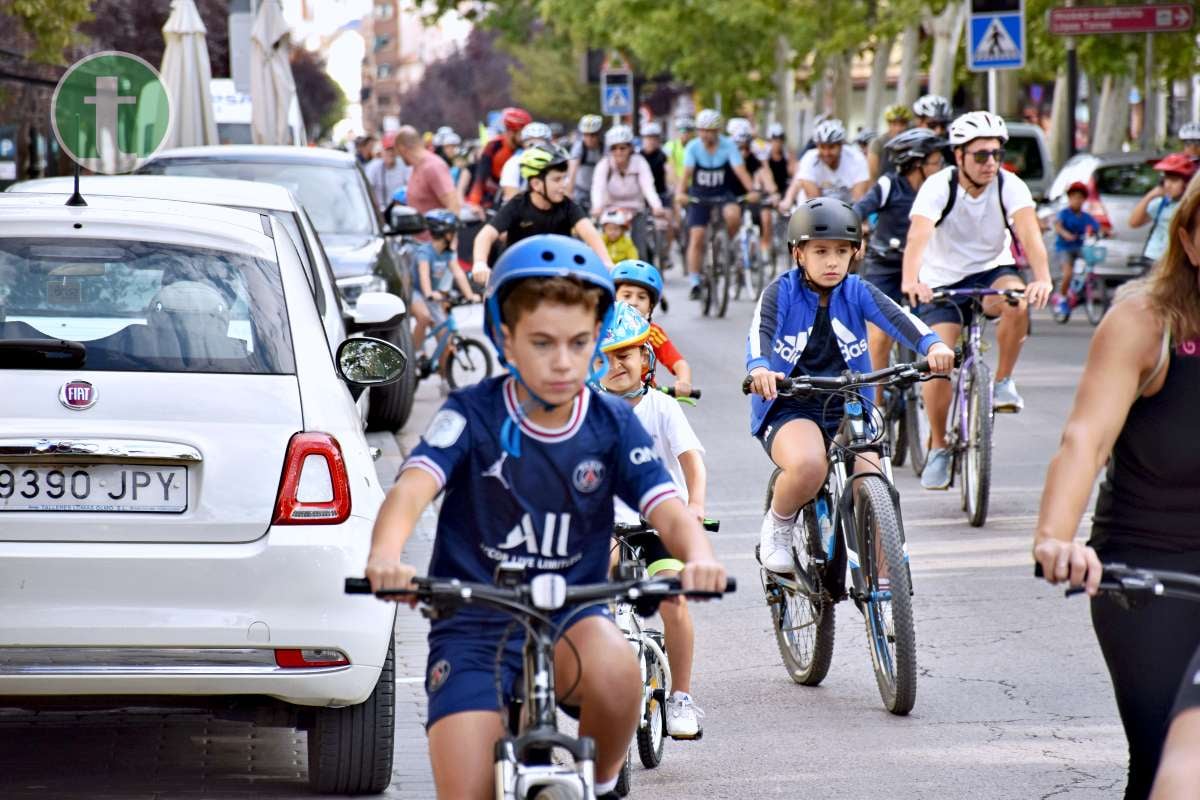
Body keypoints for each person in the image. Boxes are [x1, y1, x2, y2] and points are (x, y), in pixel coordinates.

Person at [365, 234, 727, 800]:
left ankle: (601, 784)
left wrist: (698, 554)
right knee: (466, 787)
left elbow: (665, 504)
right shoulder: (471, 412)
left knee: (619, 673)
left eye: (580, 343)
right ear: (504, 339)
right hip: (475, 624)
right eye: (541, 342)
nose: (562, 361)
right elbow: (411, 488)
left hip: (571, 612)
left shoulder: (611, 421)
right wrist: (386, 558)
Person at [1032, 177, 1200, 800]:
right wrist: (1054, 537)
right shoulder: (1146, 323)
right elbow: (1086, 441)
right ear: (1188, 241)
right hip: (1151, 573)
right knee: (1173, 763)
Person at [745, 199, 955, 573]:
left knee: (870, 480)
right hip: (792, 404)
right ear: (798, 254)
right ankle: (778, 526)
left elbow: (899, 318)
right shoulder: (781, 292)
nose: (832, 262)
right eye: (821, 251)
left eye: (842, 252)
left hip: (850, 403)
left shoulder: (857, 291)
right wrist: (760, 368)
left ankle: (888, 595)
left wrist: (933, 345)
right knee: (810, 466)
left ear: (854, 254)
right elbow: (760, 333)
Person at [901, 111, 1054, 490]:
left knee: (1015, 300)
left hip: (991, 270)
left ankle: (1002, 382)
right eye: (981, 155)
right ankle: (938, 445)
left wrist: (1043, 279)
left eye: (996, 154)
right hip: (940, 281)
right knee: (938, 359)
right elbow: (918, 237)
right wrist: (911, 281)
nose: (991, 163)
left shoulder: (1009, 185)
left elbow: (1030, 234)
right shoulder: (938, 187)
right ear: (959, 156)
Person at [597, 302, 708, 739]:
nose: (616, 364)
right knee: (594, 596)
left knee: (673, 601)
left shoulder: (662, 406)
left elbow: (692, 463)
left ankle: (681, 695)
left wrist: (695, 504)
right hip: (607, 525)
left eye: (626, 354)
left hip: (660, 524)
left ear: (646, 358)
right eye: (607, 356)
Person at [852, 127, 947, 397]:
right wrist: (855, 235)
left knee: (939, 328)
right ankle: (876, 407)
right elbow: (857, 211)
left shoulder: (942, 189)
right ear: (917, 163)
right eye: (935, 161)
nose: (940, 166)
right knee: (880, 337)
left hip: (925, 268)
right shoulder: (888, 185)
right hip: (885, 267)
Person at [471, 144, 612, 285]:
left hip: (557, 278)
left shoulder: (568, 206)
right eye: (557, 179)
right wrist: (480, 264)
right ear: (536, 184)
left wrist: (606, 261)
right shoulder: (517, 205)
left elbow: (588, 231)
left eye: (565, 178)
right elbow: (485, 235)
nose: (564, 184)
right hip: (519, 279)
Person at [676, 109, 759, 300]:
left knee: (733, 214)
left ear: (718, 131)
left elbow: (740, 171)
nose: (706, 134)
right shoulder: (693, 148)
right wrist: (680, 193)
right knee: (697, 235)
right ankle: (695, 281)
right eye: (703, 130)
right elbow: (686, 175)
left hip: (723, 193)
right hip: (700, 194)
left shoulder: (729, 146)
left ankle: (726, 244)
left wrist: (752, 190)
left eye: (711, 130)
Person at [409, 209, 481, 389]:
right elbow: (424, 275)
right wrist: (428, 293)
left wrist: (469, 294)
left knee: (445, 336)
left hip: (434, 295)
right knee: (424, 317)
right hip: (417, 292)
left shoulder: (449, 254)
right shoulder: (424, 252)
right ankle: (416, 353)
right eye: (453, 233)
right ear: (443, 233)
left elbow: (458, 274)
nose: (456, 237)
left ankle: (443, 377)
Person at [611, 259, 693, 397]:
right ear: (613, 297)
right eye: (626, 295)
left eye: (641, 297)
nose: (633, 302)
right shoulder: (601, 330)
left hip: (645, 400)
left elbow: (679, 363)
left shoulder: (652, 333)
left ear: (650, 306)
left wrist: (684, 382)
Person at [591, 124, 664, 260]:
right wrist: (597, 206)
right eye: (614, 148)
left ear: (630, 148)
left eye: (622, 148)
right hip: (611, 212)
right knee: (601, 248)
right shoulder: (604, 164)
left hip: (636, 211)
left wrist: (656, 206)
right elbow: (597, 187)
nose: (618, 152)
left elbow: (648, 187)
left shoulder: (640, 162)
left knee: (639, 249)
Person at [781, 119, 870, 207]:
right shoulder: (809, 159)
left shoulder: (856, 159)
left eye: (831, 147)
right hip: (813, 208)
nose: (826, 153)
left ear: (841, 146)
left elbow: (859, 199)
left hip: (845, 208)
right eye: (822, 147)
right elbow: (815, 201)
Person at [1130, 153, 1196, 266]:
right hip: (1152, 257)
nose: (1168, 185)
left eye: (1174, 181)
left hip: (1174, 262)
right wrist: (1151, 195)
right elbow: (1134, 223)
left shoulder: (1190, 206)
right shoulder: (1162, 203)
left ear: (1187, 183)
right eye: (1166, 180)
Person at [1051, 181, 1103, 318]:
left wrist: (1105, 232)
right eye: (1074, 197)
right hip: (1064, 248)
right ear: (1070, 198)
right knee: (1067, 273)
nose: (1077, 201)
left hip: (1079, 247)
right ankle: (1062, 297)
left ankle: (1080, 288)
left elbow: (1097, 226)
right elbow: (1058, 226)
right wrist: (1065, 234)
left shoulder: (1086, 216)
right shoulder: (1064, 213)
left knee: (1089, 264)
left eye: (1080, 198)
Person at [466, 106, 531, 208]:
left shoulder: (527, 147)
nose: (525, 137)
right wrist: (474, 202)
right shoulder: (493, 146)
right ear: (510, 131)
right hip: (495, 198)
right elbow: (480, 177)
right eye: (521, 133)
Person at [730, 120, 779, 255]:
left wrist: (773, 191)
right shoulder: (727, 160)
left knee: (766, 215)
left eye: (747, 148)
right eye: (740, 148)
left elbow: (763, 173)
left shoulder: (752, 158)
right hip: (731, 198)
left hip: (750, 198)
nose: (744, 152)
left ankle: (763, 251)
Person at [395, 126, 461, 219]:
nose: (398, 157)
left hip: (433, 233)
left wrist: (445, 231)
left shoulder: (433, 166)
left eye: (397, 153)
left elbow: (454, 206)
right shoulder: (417, 166)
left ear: (402, 149)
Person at [498, 121, 553, 202]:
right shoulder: (514, 163)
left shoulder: (555, 162)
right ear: (523, 144)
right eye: (531, 143)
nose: (536, 146)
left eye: (541, 143)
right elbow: (511, 195)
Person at [364, 132, 412, 211]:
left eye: (392, 149)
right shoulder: (374, 167)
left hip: (401, 210)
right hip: (380, 211)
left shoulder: (404, 165)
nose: (390, 153)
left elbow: (410, 187)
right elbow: (368, 189)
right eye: (387, 149)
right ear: (382, 150)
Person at [567, 114, 605, 211]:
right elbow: (572, 171)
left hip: (601, 190)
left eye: (593, 135)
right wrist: (569, 193)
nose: (589, 139)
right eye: (586, 135)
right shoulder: (579, 147)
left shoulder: (605, 148)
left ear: (599, 134)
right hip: (580, 190)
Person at [868, 104, 913, 180]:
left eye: (902, 124)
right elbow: (873, 172)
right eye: (894, 124)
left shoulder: (911, 143)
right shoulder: (878, 143)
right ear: (888, 124)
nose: (898, 128)